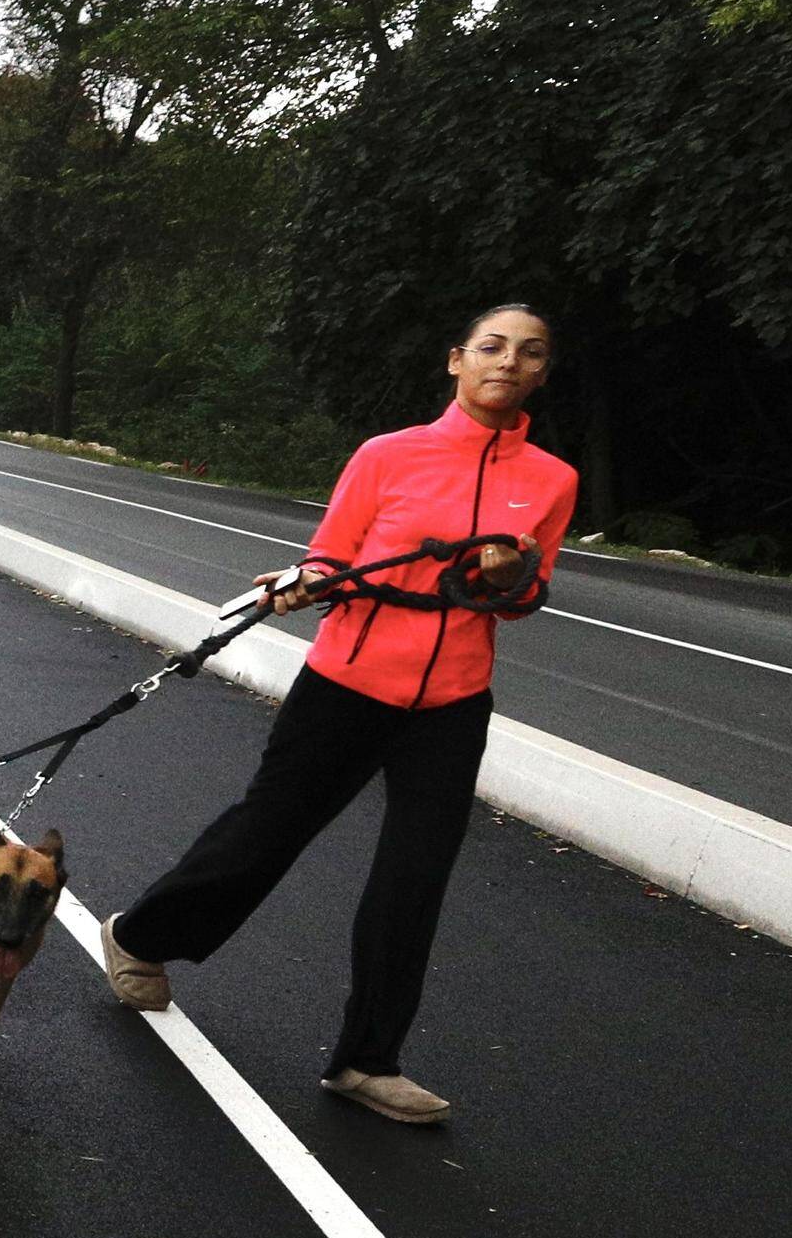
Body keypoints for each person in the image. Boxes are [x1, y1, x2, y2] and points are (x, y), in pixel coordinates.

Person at [98, 303, 575, 1124]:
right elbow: (333, 549)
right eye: (492, 347)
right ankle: (140, 935)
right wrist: (308, 580)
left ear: (542, 373)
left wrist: (505, 576)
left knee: (415, 877)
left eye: (529, 353)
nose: (509, 362)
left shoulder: (551, 480)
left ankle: (367, 1060)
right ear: (456, 361)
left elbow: (526, 600)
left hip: (453, 700)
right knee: (266, 836)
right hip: (350, 681)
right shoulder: (388, 455)